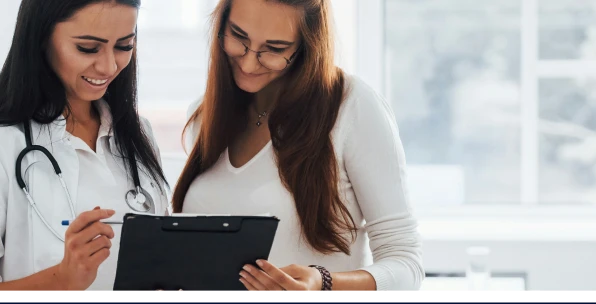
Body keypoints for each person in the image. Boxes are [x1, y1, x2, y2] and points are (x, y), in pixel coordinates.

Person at [172, 0, 424, 293]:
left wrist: (322, 282)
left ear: (307, 47)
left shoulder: (352, 107)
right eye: (238, 37)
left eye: (275, 49)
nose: (249, 62)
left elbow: (407, 265)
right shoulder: (205, 117)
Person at [0, 0, 169, 295]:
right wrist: (62, 280)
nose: (109, 66)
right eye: (88, 48)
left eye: (124, 46)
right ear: (41, 38)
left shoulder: (137, 133)